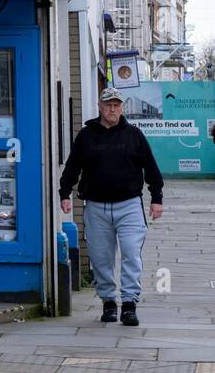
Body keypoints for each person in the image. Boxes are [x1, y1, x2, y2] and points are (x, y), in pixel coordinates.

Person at [58, 87, 163, 327]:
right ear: (100, 107)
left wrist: (156, 198)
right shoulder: (86, 136)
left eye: (116, 105)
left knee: (130, 254)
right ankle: (108, 302)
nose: (112, 109)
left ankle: (129, 304)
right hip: (96, 207)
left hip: (129, 206)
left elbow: (152, 168)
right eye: (108, 105)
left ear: (122, 107)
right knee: (100, 258)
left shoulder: (134, 135)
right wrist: (65, 193)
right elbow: (73, 166)